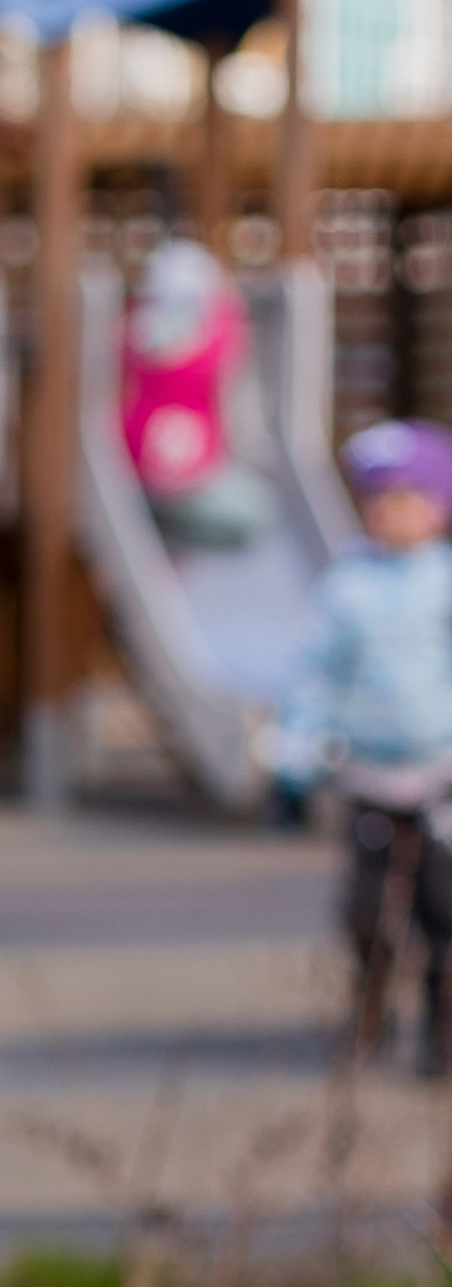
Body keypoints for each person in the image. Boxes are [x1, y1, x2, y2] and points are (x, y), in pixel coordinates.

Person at [271, 421, 452, 1067]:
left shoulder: (444, 583)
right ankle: (370, 1015)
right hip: (369, 775)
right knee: (367, 911)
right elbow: (313, 677)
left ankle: (442, 1028)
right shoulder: (347, 587)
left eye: (409, 499)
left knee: (443, 909)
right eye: (379, 501)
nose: (392, 514)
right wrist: (293, 761)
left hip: (441, 777)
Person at [119, 234, 272, 550]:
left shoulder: (133, 334)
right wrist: (229, 304)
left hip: (139, 467)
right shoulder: (213, 342)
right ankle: (178, 534)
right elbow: (224, 347)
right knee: (259, 513)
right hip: (191, 475)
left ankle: (171, 532)